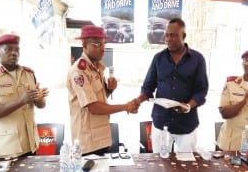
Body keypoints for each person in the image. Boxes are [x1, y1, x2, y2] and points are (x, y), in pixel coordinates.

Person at [133, 18, 209, 152]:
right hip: (161, 123)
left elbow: (201, 91)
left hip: (186, 125)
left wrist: (188, 106)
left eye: (173, 35)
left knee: (187, 165)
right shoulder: (158, 58)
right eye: (167, 35)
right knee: (160, 165)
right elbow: (148, 87)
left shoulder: (198, 59)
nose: (168, 39)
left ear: (183, 36)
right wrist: (137, 101)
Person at [67, 25, 138, 156]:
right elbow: (93, 107)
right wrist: (126, 106)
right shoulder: (79, 71)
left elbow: (99, 97)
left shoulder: (96, 67)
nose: (103, 48)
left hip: (101, 137)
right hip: (87, 142)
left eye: (104, 44)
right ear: (84, 45)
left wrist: (110, 89)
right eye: (97, 44)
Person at [0, 34, 49, 158]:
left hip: (30, 144)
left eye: (17, 50)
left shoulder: (28, 73)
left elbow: (41, 105)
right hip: (6, 149)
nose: (14, 53)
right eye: (8, 49)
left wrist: (39, 99)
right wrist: (21, 101)